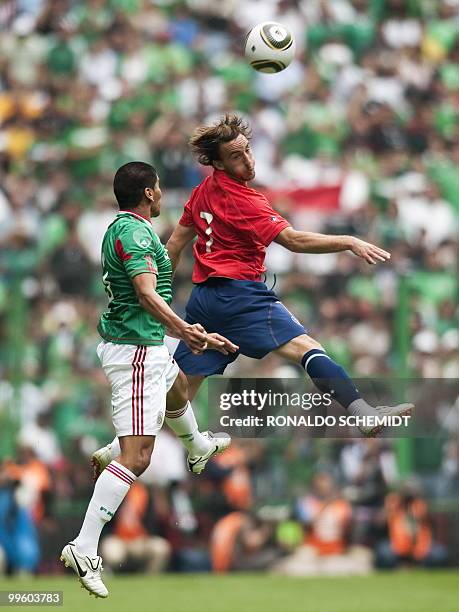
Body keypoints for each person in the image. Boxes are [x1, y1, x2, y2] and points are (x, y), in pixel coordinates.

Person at [166, 114, 413, 434]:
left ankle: (121, 445)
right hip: (239, 295)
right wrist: (348, 241)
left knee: (182, 390)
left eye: (248, 151)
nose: (248, 161)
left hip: (203, 300)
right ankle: (362, 411)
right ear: (219, 164)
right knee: (306, 348)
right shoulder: (246, 200)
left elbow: (173, 246)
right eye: (235, 157)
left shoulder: (202, 191)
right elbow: (293, 240)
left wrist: (158, 296)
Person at [60, 162, 237, 598]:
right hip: (137, 347)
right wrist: (186, 329)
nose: (161, 194)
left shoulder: (121, 228)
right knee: (137, 457)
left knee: (178, 387)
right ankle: (84, 546)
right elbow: (145, 291)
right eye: (158, 188)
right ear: (148, 193)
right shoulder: (136, 234)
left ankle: (195, 445)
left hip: (144, 344)